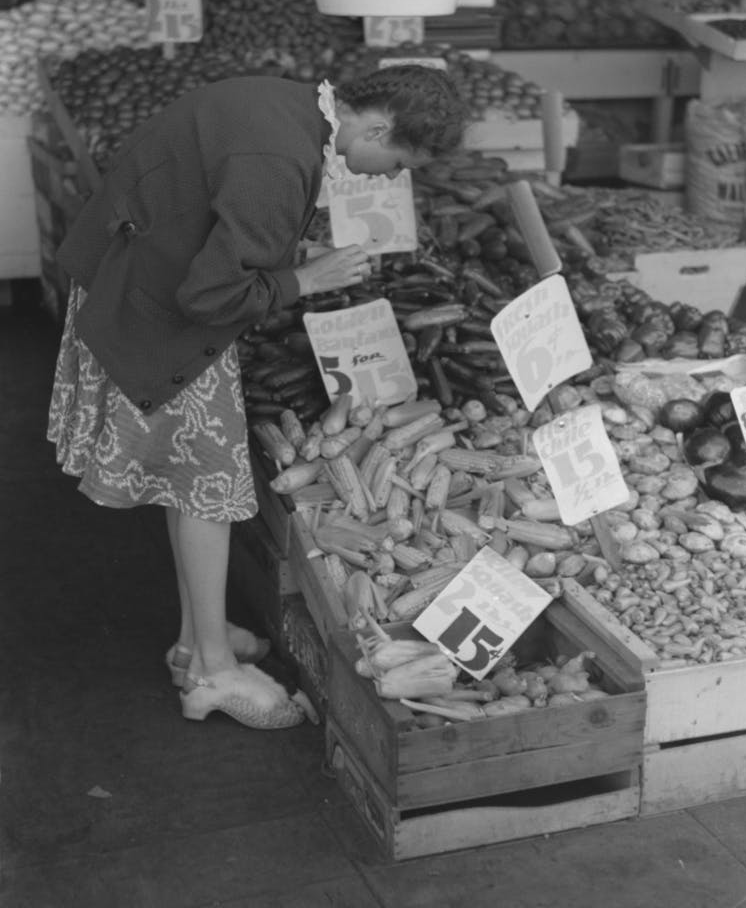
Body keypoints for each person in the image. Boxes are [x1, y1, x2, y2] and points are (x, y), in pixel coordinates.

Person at [47, 64, 467, 730]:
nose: (390, 177)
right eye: (396, 162)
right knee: (207, 490)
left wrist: (290, 256)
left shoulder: (285, 102)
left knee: (190, 488)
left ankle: (196, 639)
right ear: (377, 124)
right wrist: (303, 278)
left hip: (130, 279)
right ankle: (213, 673)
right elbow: (209, 296)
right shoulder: (279, 160)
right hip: (158, 316)